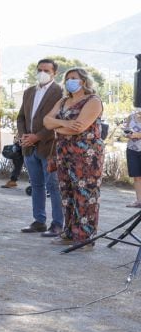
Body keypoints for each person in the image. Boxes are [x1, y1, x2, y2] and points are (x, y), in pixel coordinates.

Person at [45, 68, 105, 247]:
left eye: (74, 78)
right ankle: (69, 233)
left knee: (86, 195)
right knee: (67, 193)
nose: (70, 81)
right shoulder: (63, 101)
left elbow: (79, 128)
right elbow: (46, 121)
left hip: (87, 156)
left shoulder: (93, 101)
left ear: (84, 81)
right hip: (64, 153)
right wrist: (64, 124)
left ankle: (85, 238)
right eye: (67, 79)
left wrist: (57, 128)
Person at [16, 59, 65, 235]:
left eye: (46, 70)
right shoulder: (29, 91)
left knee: (54, 186)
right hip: (29, 147)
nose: (42, 73)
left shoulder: (60, 92)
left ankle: (58, 224)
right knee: (36, 185)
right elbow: (21, 117)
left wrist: (37, 136)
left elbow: (60, 120)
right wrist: (24, 136)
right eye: (39, 70)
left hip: (49, 146)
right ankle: (39, 221)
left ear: (54, 73)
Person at [123, 108, 141, 208]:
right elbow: (124, 129)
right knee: (137, 177)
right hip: (132, 150)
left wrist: (138, 135)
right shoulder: (131, 116)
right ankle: (139, 201)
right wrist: (127, 134)